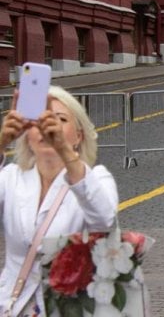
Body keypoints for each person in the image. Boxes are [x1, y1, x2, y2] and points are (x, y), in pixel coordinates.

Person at [0, 86, 118, 316]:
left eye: (60, 119)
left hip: (70, 307)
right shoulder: (10, 177)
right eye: (39, 120)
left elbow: (105, 220)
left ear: (78, 135)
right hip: (13, 305)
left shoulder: (96, 179)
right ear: (27, 133)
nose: (48, 127)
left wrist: (64, 151)